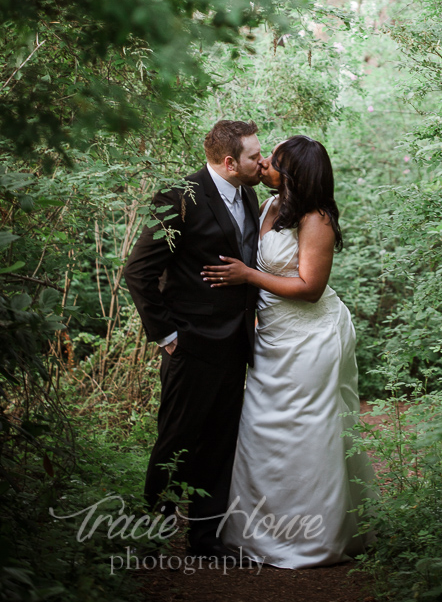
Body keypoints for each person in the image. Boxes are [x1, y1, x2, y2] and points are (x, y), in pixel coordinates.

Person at [202, 134, 375, 568]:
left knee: (307, 432)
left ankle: (315, 536)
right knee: (262, 426)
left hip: (312, 337)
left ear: (292, 173)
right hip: (274, 336)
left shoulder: (316, 219)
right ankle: (259, 531)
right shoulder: (269, 205)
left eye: (271, 162)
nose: (262, 166)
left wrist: (247, 277)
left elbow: (310, 289)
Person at [123, 119, 262, 559]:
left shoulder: (249, 193)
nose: (262, 161)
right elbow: (138, 272)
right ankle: (151, 538)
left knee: (221, 444)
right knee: (176, 440)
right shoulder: (177, 198)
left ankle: (206, 540)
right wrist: (166, 334)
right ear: (229, 161)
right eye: (254, 156)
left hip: (236, 342)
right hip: (191, 344)